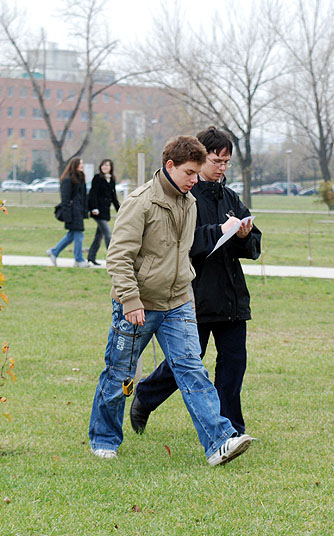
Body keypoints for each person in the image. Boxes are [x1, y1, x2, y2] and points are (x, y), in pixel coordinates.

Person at [88, 135, 253, 466]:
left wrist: (186, 293)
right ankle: (104, 439)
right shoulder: (141, 202)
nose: (194, 179)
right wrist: (131, 300)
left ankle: (219, 442)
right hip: (138, 303)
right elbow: (118, 257)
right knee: (119, 373)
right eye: (189, 172)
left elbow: (184, 253)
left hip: (178, 302)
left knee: (192, 370)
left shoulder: (188, 202)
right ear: (170, 166)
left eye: (196, 173)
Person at [130, 126, 261, 436]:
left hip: (231, 297)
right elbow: (181, 243)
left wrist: (244, 235)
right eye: (216, 160)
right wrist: (218, 231)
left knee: (233, 365)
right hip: (194, 295)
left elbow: (253, 246)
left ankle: (232, 429)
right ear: (200, 159)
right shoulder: (185, 199)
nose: (222, 167)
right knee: (187, 361)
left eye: (226, 161)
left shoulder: (230, 197)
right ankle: (146, 396)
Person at [46, 157, 90, 268]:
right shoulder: (68, 180)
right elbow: (65, 199)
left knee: (71, 236)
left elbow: (84, 197)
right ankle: (79, 260)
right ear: (74, 165)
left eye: (82, 163)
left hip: (79, 212)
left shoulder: (81, 178)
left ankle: (54, 252)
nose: (82, 165)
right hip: (72, 212)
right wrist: (67, 216)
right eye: (80, 164)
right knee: (79, 235)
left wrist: (85, 211)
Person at [86, 158, 121, 266]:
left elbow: (113, 197)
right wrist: (94, 208)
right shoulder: (97, 178)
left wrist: (120, 210)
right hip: (97, 211)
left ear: (111, 167)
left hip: (105, 211)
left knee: (98, 236)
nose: (104, 167)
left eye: (107, 165)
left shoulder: (112, 179)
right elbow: (93, 194)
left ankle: (91, 257)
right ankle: (113, 259)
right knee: (107, 234)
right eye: (103, 165)